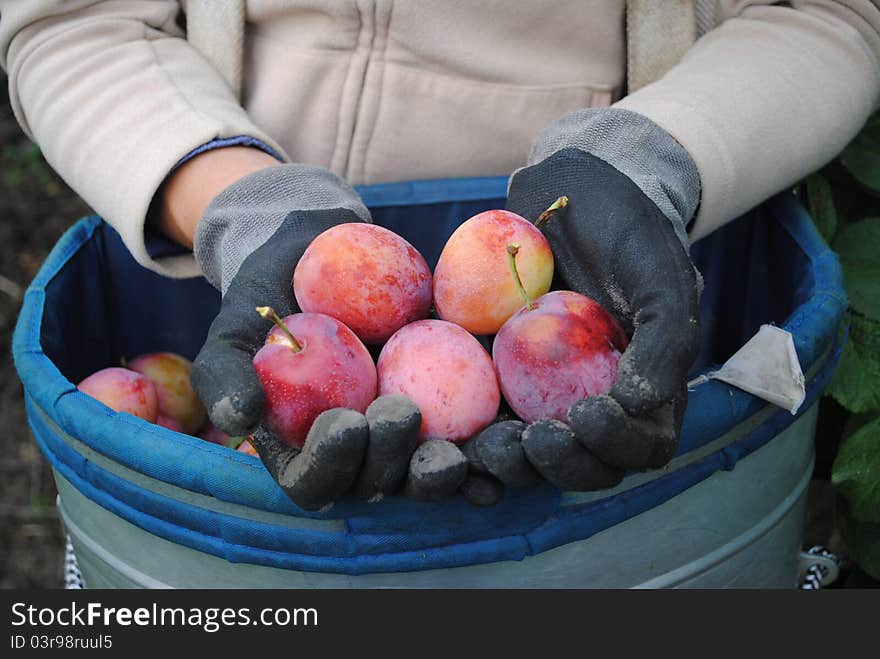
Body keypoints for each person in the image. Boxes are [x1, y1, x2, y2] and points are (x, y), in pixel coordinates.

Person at [2, 1, 878, 510]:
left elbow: (830, 11)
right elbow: (77, 20)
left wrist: (647, 159)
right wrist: (232, 194)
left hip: (606, 251)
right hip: (234, 248)